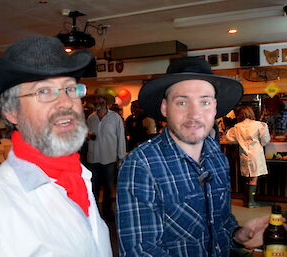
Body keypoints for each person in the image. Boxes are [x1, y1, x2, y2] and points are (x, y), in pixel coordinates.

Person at [116, 57, 274, 257]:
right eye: (182, 102)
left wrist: (239, 235)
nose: (194, 114)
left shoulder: (217, 158)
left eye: (205, 102)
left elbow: (220, 224)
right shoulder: (140, 165)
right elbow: (140, 251)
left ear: (215, 107)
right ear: (165, 108)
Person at [0, 35, 112, 257]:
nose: (66, 102)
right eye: (43, 91)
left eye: (70, 89)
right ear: (12, 112)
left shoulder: (79, 177)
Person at [86, 89, 126, 221]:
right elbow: (85, 137)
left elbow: (121, 138)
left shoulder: (115, 118)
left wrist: (121, 157)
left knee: (109, 189)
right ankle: (96, 213)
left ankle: (108, 213)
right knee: (94, 188)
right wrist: (87, 136)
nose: (97, 101)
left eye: (100, 98)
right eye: (96, 99)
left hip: (109, 158)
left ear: (106, 101)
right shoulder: (91, 118)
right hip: (93, 158)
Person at [226, 106, 271, 208]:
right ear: (251, 113)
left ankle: (247, 200)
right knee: (254, 177)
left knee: (247, 177)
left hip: (243, 155)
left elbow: (230, 139)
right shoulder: (259, 125)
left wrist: (240, 141)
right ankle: (251, 202)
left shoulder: (237, 127)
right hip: (255, 154)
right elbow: (265, 140)